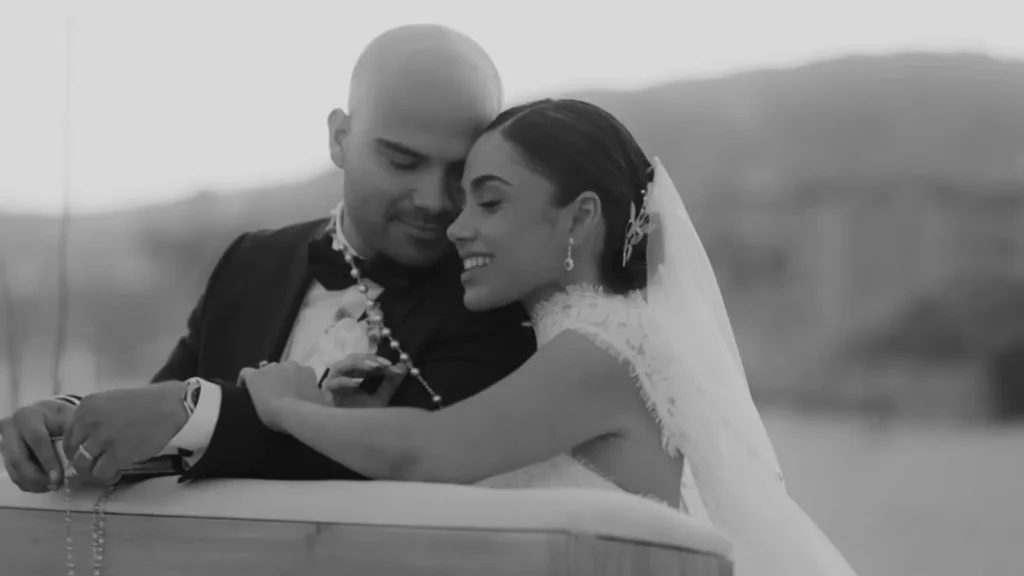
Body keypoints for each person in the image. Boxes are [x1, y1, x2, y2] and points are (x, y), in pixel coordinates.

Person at [239, 98, 862, 576]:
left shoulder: (603, 348)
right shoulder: (566, 349)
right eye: (464, 203)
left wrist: (284, 408)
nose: (456, 227)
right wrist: (363, 422)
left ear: (580, 216)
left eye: (489, 203)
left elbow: (428, 452)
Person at [0, 24, 535, 489]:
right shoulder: (251, 261)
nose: (434, 200)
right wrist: (70, 424)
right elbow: (153, 415)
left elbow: (405, 460)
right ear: (340, 138)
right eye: (403, 162)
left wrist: (194, 412)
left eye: (459, 171)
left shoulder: (496, 295)